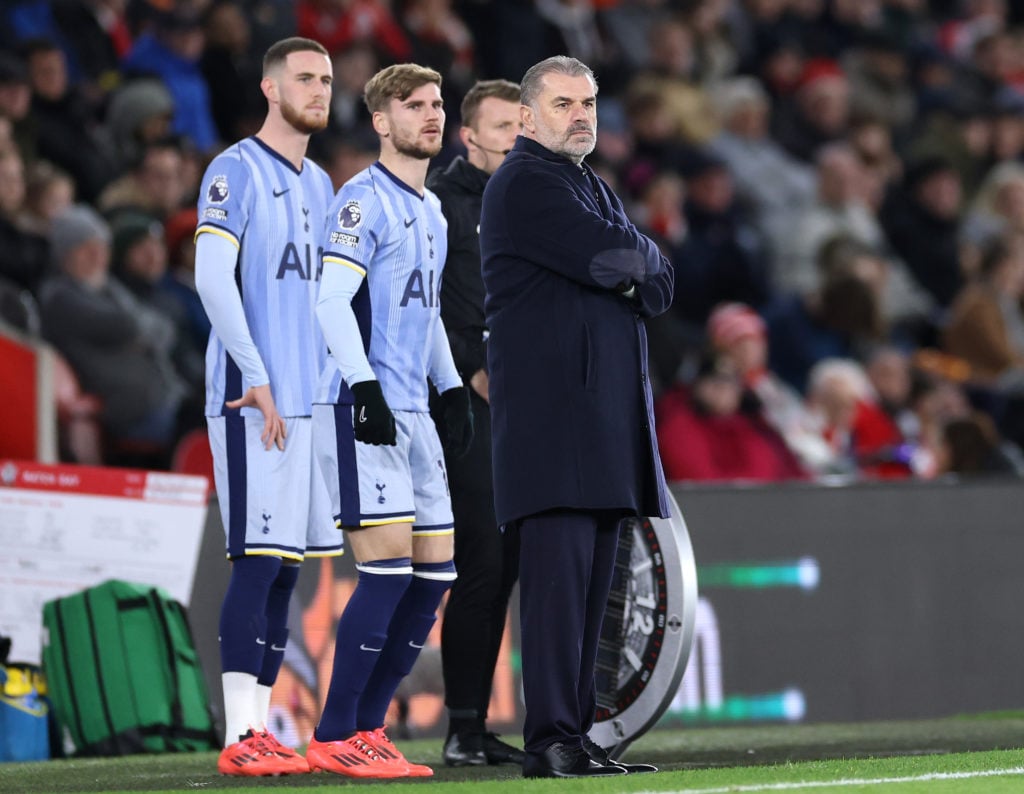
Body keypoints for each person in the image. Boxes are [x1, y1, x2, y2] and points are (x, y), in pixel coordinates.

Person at [479, 55, 672, 779]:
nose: (581, 115)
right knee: (559, 593)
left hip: (601, 422)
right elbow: (618, 259)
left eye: (588, 102)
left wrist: (638, 264)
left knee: (595, 596)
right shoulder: (525, 181)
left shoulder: (587, 183)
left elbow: (657, 279)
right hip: (555, 421)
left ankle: (578, 733)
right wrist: (637, 263)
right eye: (562, 103)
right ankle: (550, 739)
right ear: (526, 117)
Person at [307, 62, 472, 780]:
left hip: (413, 410)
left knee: (434, 580)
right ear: (382, 122)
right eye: (414, 105)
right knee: (385, 575)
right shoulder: (360, 200)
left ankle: (369, 729)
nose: (431, 115)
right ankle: (335, 732)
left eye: (437, 104)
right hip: (361, 406)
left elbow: (426, 312)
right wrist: (363, 387)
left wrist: (452, 386)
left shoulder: (430, 211)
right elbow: (329, 301)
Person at [192, 37, 341, 777]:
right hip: (254, 399)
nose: (319, 90)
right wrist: (256, 374)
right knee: (255, 559)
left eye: (327, 79)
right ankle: (237, 732)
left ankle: (263, 725)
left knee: (286, 568)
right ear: (270, 89)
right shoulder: (234, 170)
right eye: (305, 78)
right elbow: (212, 278)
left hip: (307, 404)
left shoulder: (319, 185)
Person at [424, 78, 525, 768]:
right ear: (470, 136)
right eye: (502, 130)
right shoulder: (437, 204)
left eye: (522, 129)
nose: (515, 141)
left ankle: (477, 725)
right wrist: (469, 367)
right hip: (467, 403)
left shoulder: (535, 201)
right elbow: (417, 302)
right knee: (483, 563)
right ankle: (461, 727)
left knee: (511, 564)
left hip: (530, 406)